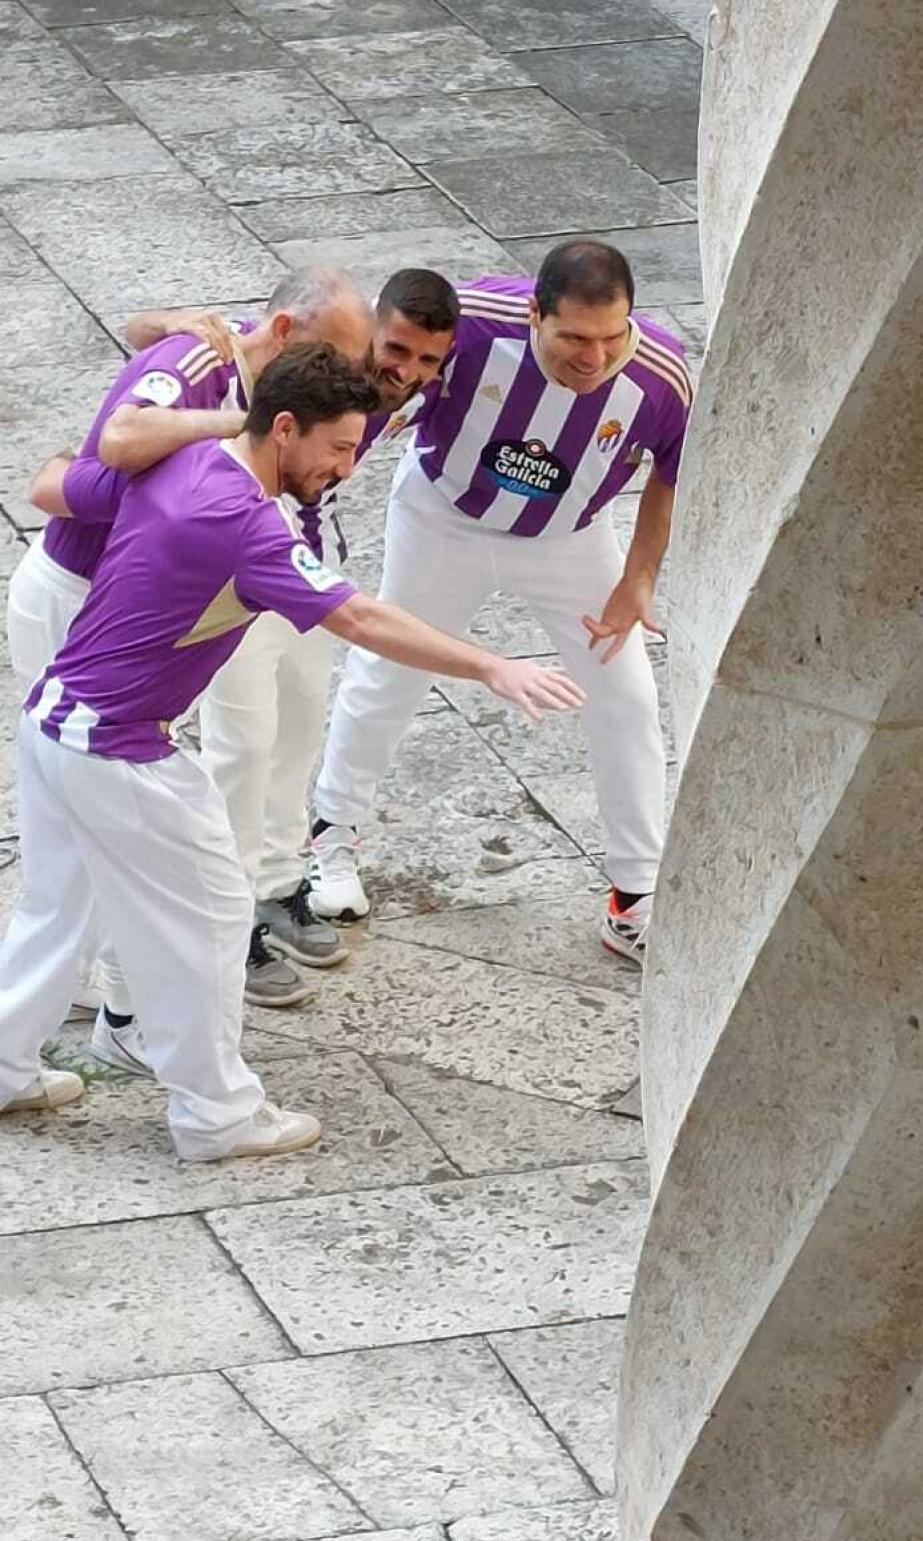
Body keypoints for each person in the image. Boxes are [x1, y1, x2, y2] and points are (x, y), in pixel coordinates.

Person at [0, 345, 584, 1162]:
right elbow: (363, 621)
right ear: (283, 429)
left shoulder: (186, 459)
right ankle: (217, 1116)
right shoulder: (248, 526)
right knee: (211, 915)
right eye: (338, 448)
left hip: (50, 723)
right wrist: (492, 664)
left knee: (57, 906)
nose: (346, 467)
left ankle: (4, 1068)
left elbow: (57, 482)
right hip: (121, 751)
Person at [17, 267, 374, 1053]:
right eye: (338, 357)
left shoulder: (242, 357)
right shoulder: (214, 382)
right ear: (283, 337)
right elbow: (115, 445)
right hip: (83, 594)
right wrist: (242, 426)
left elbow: (146, 333)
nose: (345, 379)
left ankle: (67, 1019)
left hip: (119, 593)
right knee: (115, 838)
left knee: (82, 849)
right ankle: (128, 1016)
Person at [308, 240, 693, 965]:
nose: (594, 358)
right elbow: (385, 361)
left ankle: (633, 897)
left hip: (569, 541)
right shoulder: (475, 320)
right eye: (574, 338)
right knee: (388, 670)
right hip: (442, 515)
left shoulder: (661, 374)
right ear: (533, 313)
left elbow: (672, 467)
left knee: (629, 698)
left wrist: (639, 577)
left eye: (613, 338)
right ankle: (331, 832)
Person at [195, 269, 460, 1007]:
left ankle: (278, 888)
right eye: (394, 349)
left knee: (298, 730)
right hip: (237, 576)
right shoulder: (302, 362)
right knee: (240, 750)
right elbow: (222, 336)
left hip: (310, 567)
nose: (403, 372)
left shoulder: (401, 385)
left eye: (424, 362)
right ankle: (227, 918)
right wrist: (166, 322)